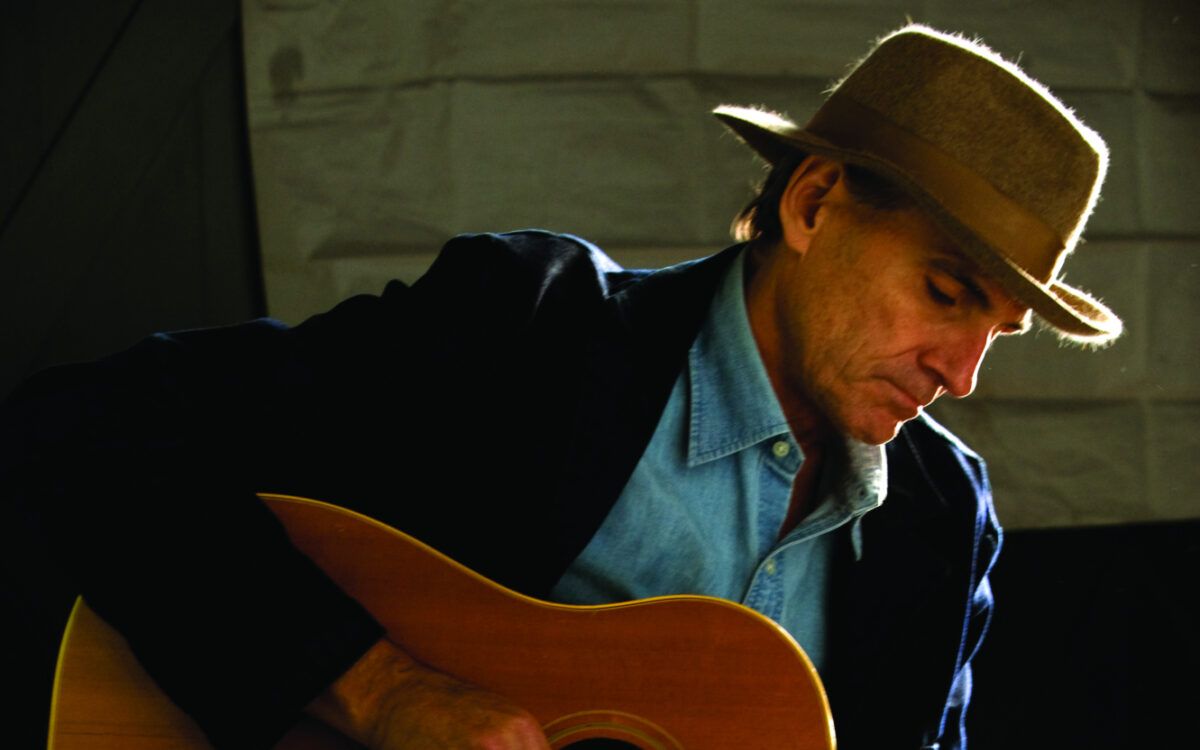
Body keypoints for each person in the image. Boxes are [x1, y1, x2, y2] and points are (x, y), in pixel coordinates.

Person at [1, 23, 1121, 750]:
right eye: (944, 293)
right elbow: (87, 429)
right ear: (814, 203)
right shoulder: (532, 331)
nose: (962, 374)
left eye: (999, 331)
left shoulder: (943, 526)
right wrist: (383, 692)